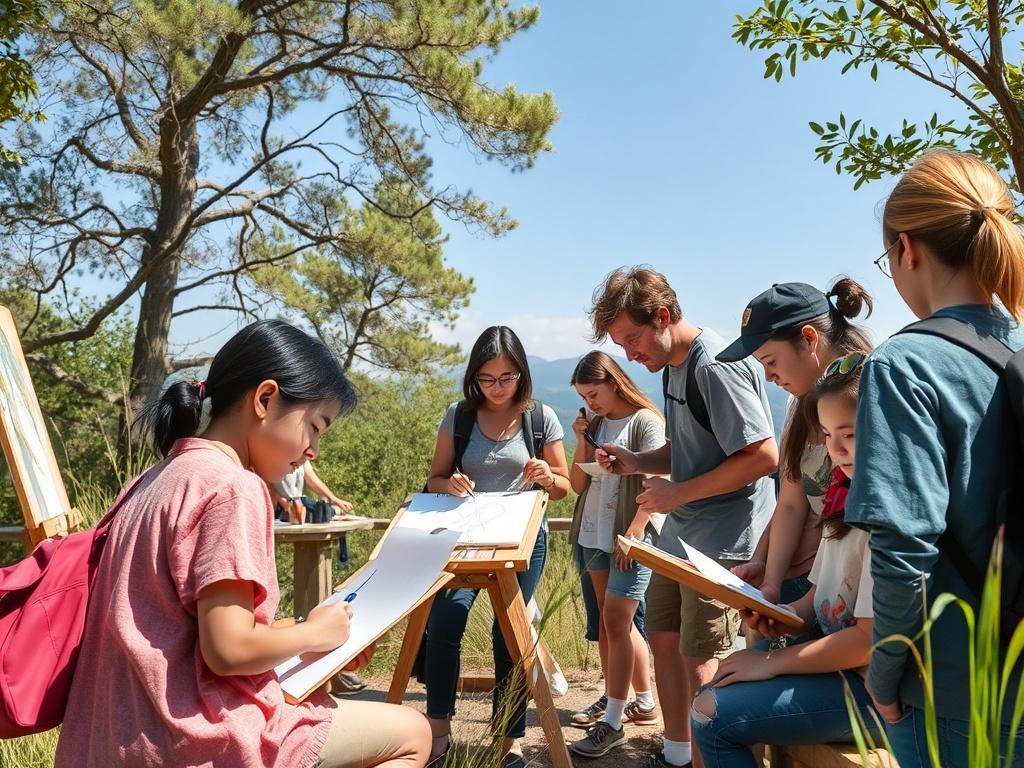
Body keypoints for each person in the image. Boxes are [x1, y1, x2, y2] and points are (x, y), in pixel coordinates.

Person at [55, 319, 431, 768]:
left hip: (105, 738)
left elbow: (181, 632)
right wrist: (316, 632)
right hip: (185, 738)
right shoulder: (233, 486)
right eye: (315, 426)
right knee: (413, 733)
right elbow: (227, 650)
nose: (313, 450)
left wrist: (302, 638)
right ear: (266, 398)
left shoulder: (151, 481)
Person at [844, 150, 1024, 767]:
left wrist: (886, 672)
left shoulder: (904, 365)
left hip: (957, 691)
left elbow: (904, 554)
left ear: (907, 249)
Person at [590, 267, 778, 768]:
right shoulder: (673, 365)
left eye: (632, 339)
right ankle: (678, 756)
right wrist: (638, 463)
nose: (630, 355)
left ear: (664, 317)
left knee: (701, 658)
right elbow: (692, 448)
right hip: (682, 535)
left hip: (725, 539)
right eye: (621, 344)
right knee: (666, 642)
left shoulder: (713, 363)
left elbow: (762, 455)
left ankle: (708, 759)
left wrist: (677, 494)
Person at [690, 351, 881, 766]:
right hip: (844, 673)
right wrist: (778, 613)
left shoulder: (885, 517)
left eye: (849, 434)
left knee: (711, 716)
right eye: (829, 437)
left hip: (877, 691)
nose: (837, 451)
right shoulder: (842, 499)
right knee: (713, 694)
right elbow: (821, 597)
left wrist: (770, 662)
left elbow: (866, 642)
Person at [423, 326, 570, 768]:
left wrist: (547, 475)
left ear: (522, 374)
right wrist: (449, 483)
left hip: (523, 542)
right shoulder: (458, 416)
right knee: (445, 622)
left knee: (509, 637)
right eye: (487, 379)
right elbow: (433, 479)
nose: (498, 387)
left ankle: (509, 740)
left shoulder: (540, 418)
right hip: (463, 541)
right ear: (474, 378)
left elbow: (564, 487)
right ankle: (438, 734)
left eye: (507, 377)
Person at [716, 280, 873, 607]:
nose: (769, 377)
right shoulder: (797, 405)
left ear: (808, 339)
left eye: (771, 362)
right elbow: (790, 502)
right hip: (806, 586)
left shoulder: (870, 394)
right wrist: (770, 583)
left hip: (858, 588)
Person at [567, 351, 664, 757]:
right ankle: (630, 700)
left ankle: (613, 719)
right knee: (614, 625)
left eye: (594, 393)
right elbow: (576, 484)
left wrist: (636, 530)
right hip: (595, 533)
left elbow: (658, 479)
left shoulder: (646, 422)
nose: (591, 402)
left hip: (630, 535)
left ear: (614, 381)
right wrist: (581, 441)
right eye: (584, 397)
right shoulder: (599, 424)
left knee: (617, 619)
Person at [270, 460, 355, 523]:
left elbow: (313, 480)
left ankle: (335, 510)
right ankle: (335, 510)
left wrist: (336, 500)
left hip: (299, 502)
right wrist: (285, 504)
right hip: (279, 507)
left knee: (321, 512)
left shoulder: (302, 454)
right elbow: (267, 485)